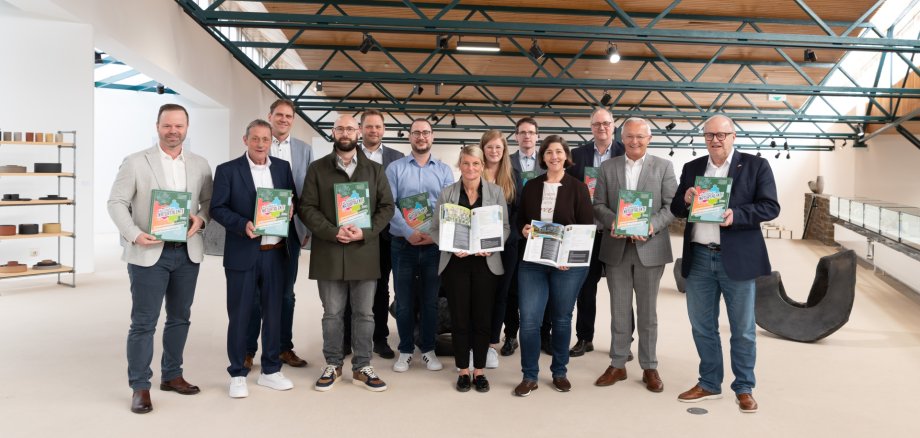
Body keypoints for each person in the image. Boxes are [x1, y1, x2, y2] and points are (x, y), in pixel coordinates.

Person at [670, 114, 780, 413]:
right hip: (700, 257)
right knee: (702, 326)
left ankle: (744, 387)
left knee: (743, 329)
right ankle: (709, 382)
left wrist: (736, 214)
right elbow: (677, 208)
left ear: (733, 136)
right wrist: (687, 197)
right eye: (709, 135)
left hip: (738, 258)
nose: (715, 140)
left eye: (721, 134)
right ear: (704, 138)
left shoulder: (756, 166)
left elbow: (770, 206)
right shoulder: (693, 168)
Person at [107, 103, 213, 414]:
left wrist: (201, 220)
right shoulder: (136, 162)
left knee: (180, 318)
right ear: (157, 127)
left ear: (187, 128)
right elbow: (116, 202)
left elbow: (208, 203)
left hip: (187, 253)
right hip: (149, 252)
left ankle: (172, 375)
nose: (173, 131)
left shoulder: (200, 164)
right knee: (144, 323)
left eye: (179, 126)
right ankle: (140, 385)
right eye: (167, 125)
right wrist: (133, 233)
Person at [299, 115, 395, 392]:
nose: (345, 132)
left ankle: (363, 366)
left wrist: (366, 231)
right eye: (340, 128)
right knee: (332, 313)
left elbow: (387, 207)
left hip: (364, 251)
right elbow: (307, 207)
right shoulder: (317, 169)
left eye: (350, 128)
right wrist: (332, 231)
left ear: (358, 133)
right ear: (333, 132)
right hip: (329, 251)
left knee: (365, 314)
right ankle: (333, 363)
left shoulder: (375, 170)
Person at [210, 119, 298, 398]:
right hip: (243, 253)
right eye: (256, 139)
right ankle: (237, 373)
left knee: (274, 314)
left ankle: (271, 370)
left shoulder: (283, 168)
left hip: (275, 254)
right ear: (245, 139)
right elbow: (217, 208)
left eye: (266, 139)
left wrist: (291, 209)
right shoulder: (227, 170)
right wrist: (241, 224)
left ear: (272, 141)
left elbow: (291, 197)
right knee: (240, 315)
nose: (261, 144)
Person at [591, 117, 677, 393]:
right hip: (616, 248)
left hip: (650, 249)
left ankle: (649, 365)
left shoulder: (663, 167)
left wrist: (651, 226)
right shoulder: (607, 167)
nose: (635, 141)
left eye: (640, 137)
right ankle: (618, 363)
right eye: (629, 137)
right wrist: (612, 221)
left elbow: (671, 206)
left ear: (649, 139)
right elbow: (598, 204)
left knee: (648, 312)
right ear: (622, 138)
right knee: (618, 309)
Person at [514, 135, 595, 396]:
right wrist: (523, 229)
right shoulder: (531, 186)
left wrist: (568, 259)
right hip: (534, 261)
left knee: (561, 319)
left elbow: (584, 229)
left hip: (567, 266)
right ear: (543, 157)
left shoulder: (578, 188)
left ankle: (559, 372)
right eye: (549, 152)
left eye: (559, 152)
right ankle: (529, 376)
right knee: (528, 320)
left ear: (566, 156)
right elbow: (520, 220)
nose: (554, 157)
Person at [431, 146, 510, 392]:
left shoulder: (495, 192)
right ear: (460, 165)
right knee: (460, 318)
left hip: (485, 263)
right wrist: (450, 247)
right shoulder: (448, 193)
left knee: (482, 317)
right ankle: (463, 370)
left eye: (476, 164)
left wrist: (493, 246)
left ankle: (480, 371)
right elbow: (435, 229)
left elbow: (505, 227)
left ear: (482, 166)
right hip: (456, 263)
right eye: (466, 163)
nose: (471, 168)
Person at [244, 99, 313, 370]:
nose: (284, 119)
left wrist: (305, 228)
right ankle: (248, 350)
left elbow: (307, 192)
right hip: (256, 230)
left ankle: (284, 347)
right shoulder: (258, 144)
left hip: (291, 231)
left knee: (286, 293)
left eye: (289, 116)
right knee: (254, 294)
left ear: (293, 120)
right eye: (279, 115)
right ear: (270, 116)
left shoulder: (304, 150)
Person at [386, 118, 454, 373]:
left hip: (433, 245)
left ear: (432, 136)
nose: (421, 137)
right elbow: (389, 204)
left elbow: (448, 206)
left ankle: (427, 349)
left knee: (430, 301)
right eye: (416, 133)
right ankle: (405, 350)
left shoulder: (444, 170)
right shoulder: (395, 168)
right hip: (403, 244)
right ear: (410, 137)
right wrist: (408, 232)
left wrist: (433, 235)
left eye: (426, 132)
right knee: (403, 300)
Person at [342, 109, 405, 359]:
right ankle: (347, 338)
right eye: (368, 127)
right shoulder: (347, 154)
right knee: (349, 284)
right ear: (360, 130)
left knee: (381, 288)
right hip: (353, 231)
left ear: (384, 130)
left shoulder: (396, 157)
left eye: (378, 127)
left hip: (386, 232)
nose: (373, 131)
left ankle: (380, 338)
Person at [567, 108, 626, 357]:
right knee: (585, 289)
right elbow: (567, 189)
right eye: (597, 124)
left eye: (606, 123)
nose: (601, 127)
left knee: (620, 289)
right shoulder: (577, 155)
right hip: (586, 233)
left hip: (616, 232)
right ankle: (584, 338)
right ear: (590, 127)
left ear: (613, 126)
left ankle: (623, 342)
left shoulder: (625, 152)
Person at [502, 118, 544, 356]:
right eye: (522, 133)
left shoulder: (548, 161)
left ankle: (542, 335)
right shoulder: (507, 163)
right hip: (515, 235)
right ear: (516, 137)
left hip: (543, 234)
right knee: (512, 289)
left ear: (537, 136)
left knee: (542, 285)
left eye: (531, 132)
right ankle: (510, 335)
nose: (527, 136)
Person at [481, 130, 521, 366]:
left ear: (504, 150)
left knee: (501, 295)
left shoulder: (512, 175)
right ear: (483, 148)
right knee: (480, 295)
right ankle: (477, 339)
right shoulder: (475, 171)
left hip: (507, 246)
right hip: (479, 247)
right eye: (490, 147)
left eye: (499, 147)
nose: (494, 151)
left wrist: (504, 238)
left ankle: (490, 345)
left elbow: (518, 212)